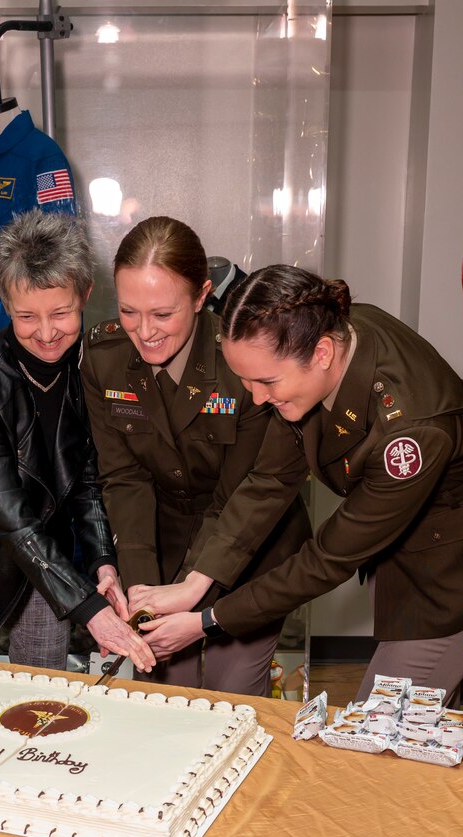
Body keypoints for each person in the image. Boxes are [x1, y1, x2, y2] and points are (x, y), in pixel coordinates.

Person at [133, 264, 463, 703]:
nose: (256, 397)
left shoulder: (411, 431)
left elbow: (326, 559)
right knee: (423, 721)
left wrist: (206, 621)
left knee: (378, 732)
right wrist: (196, 584)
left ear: (322, 353)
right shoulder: (331, 327)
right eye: (246, 380)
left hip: (455, 562)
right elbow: (270, 478)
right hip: (398, 540)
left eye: (267, 381)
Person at [0, 209, 154, 674]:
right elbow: (6, 511)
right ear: (4, 300)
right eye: (26, 316)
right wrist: (86, 609)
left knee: (42, 695)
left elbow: (88, 481)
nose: (46, 332)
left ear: (86, 294)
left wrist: (102, 563)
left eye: (61, 312)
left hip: (45, 556)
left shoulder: (92, 368)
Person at [81, 219, 310, 695]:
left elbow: (237, 497)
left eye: (163, 314)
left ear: (202, 295)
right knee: (167, 693)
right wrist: (143, 600)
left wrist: (188, 594)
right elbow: (124, 479)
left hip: (249, 546)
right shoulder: (103, 357)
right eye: (128, 311)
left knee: (234, 698)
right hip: (159, 547)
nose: (144, 332)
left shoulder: (242, 359)